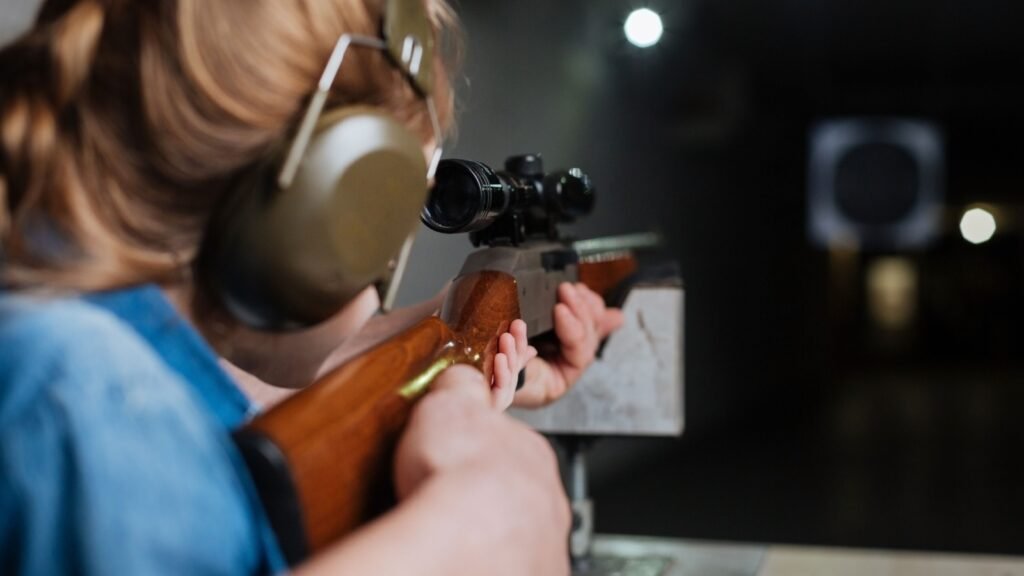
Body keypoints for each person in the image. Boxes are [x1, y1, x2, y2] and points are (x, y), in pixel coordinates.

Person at [0, 1, 624, 574]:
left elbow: (220, 389)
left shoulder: (72, 335)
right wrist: (461, 533)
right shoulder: (89, 393)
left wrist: (461, 330)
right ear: (321, 201)